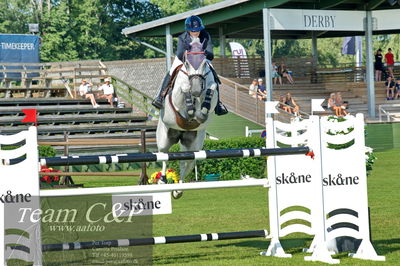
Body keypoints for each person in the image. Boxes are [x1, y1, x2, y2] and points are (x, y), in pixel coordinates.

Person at [152, 15, 227, 116]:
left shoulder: (206, 35)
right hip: (185, 59)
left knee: (213, 74)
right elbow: (179, 53)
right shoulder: (182, 37)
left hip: (201, 58)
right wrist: (190, 54)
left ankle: (218, 104)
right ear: (188, 30)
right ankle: (160, 97)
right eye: (193, 31)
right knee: (172, 70)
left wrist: (202, 52)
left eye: (197, 30)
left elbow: (211, 55)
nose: (195, 32)